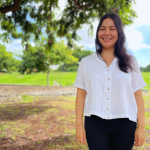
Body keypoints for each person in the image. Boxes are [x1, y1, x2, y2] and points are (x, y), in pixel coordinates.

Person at [73, 13, 147, 150]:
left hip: (126, 123)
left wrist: (141, 126)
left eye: (112, 28)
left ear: (119, 32)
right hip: (95, 124)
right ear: (97, 33)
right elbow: (81, 94)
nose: (107, 33)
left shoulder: (131, 62)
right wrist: (79, 125)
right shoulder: (86, 62)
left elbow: (137, 95)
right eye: (102, 28)